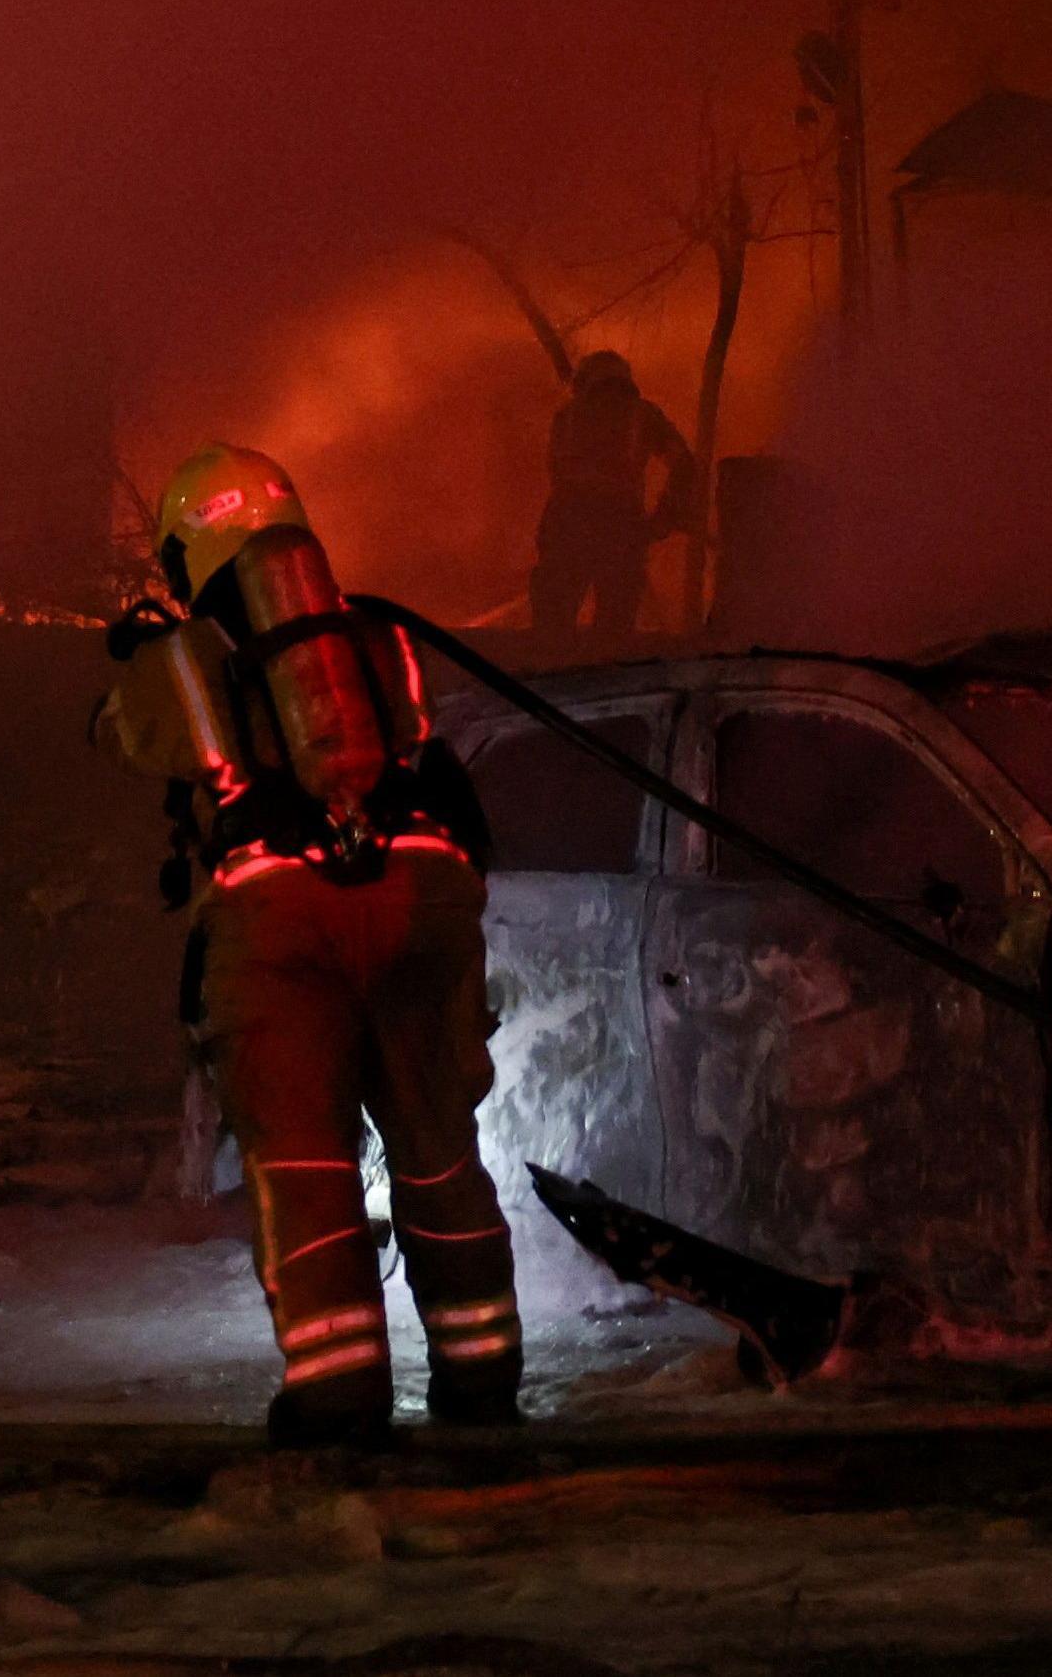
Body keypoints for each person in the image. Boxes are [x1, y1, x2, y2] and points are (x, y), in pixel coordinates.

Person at [92, 445, 517, 1448]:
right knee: (438, 1149)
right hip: (422, 892)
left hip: (284, 913)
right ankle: (483, 1373)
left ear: (189, 548)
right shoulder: (377, 633)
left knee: (306, 1165)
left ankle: (338, 1395)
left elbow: (124, 732)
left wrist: (133, 663)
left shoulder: (185, 655)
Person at [529, 350, 698, 638]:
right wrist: (664, 517)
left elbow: (556, 473)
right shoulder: (643, 415)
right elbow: (683, 464)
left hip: (568, 523)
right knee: (614, 632)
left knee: (552, 631)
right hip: (619, 527)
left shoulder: (567, 416)